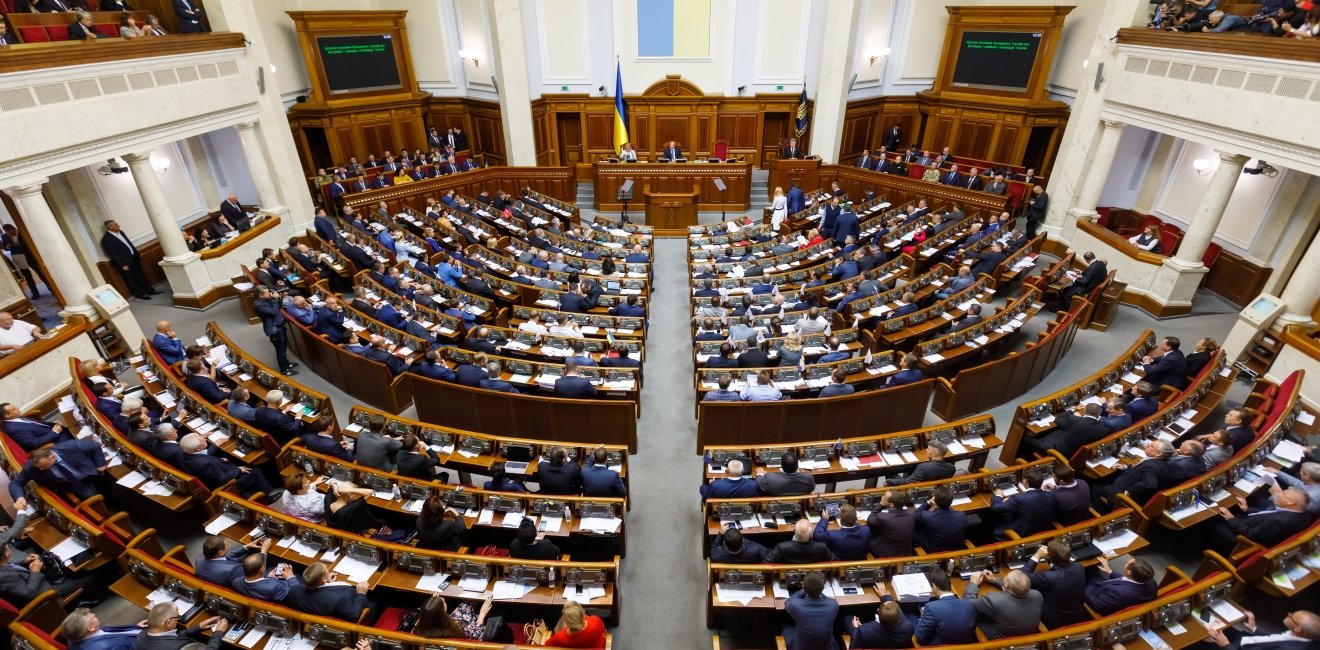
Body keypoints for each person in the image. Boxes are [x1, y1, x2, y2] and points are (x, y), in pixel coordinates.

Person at [1210, 488, 1311, 556]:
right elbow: (1270, 513)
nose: (1278, 494)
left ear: (1291, 502)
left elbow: (1251, 535)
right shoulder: (1305, 513)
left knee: (1215, 524)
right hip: (1257, 524)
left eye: (1283, 494)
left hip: (1246, 542)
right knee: (1236, 510)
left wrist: (1231, 519)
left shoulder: (1278, 521)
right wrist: (1247, 509)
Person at [8, 440, 108, 501]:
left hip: (91, 472)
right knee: (91, 497)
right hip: (74, 484)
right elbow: (15, 484)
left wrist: (100, 464)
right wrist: (19, 497)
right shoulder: (32, 468)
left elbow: (95, 445)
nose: (41, 469)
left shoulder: (70, 446)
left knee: (106, 487)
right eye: (39, 467)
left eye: (44, 465)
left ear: (52, 456)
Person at [1023, 540, 1088, 628]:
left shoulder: (1047, 577)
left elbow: (1022, 577)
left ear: (1048, 556)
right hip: (1077, 616)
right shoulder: (1079, 567)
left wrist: (1037, 555)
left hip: (1055, 622)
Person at [1093, 439, 1174, 510]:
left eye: (1151, 446)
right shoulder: (1162, 463)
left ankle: (1103, 515)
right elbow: (1141, 470)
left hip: (1121, 496)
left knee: (1095, 487)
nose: (1147, 445)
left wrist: (1128, 492)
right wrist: (1125, 467)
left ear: (1158, 454)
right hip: (1133, 491)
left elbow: (1149, 484)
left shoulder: (1151, 466)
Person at [964, 569, 1042, 639]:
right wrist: (994, 580)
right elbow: (1018, 589)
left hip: (1001, 644)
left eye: (1007, 575)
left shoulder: (993, 600)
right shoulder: (1037, 595)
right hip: (1029, 641)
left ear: (1006, 585)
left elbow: (967, 603)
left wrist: (973, 583)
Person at [284, 562, 371, 621]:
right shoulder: (342, 596)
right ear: (323, 579)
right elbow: (353, 614)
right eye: (326, 570)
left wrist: (326, 583)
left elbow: (297, 587)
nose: (327, 569)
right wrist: (361, 593)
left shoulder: (294, 591)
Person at [912, 568, 977, 645]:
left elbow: (920, 637)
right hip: (965, 646)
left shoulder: (931, 607)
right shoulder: (969, 604)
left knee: (911, 617)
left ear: (934, 586)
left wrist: (920, 619)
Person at [1023, 402, 1108, 459]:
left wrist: (1073, 410)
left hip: (1054, 449)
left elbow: (1058, 420)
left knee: (1024, 437)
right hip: (1072, 453)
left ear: (1084, 410)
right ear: (1099, 414)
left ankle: (1026, 459)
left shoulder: (1075, 420)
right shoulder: (1104, 430)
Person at [1204, 609, 1320, 649]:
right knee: (1220, 625)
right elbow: (1275, 639)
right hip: (1247, 641)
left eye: (1292, 616)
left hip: (1235, 647)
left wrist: (1226, 645)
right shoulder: (1305, 637)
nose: (1289, 614)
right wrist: (1254, 628)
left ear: (1298, 629)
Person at [783, 571, 839, 650]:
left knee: (787, 626)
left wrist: (804, 590)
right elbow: (828, 599)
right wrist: (817, 590)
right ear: (822, 588)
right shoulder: (833, 605)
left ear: (803, 587)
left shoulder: (796, 606)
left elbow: (788, 602)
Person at [101, 220, 157, 299]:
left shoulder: (121, 232)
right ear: (110, 227)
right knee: (131, 280)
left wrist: (137, 253)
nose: (118, 225)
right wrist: (122, 265)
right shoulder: (106, 239)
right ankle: (140, 294)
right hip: (125, 263)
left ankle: (150, 290)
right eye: (116, 225)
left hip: (134, 257)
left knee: (141, 275)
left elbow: (129, 243)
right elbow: (112, 254)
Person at [134, 603, 224, 650]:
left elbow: (172, 637)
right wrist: (218, 632)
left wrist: (198, 627)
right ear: (168, 622)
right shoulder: (182, 647)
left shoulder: (141, 636)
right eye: (177, 617)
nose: (178, 619)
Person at [1084, 556, 1157, 615]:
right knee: (1092, 570)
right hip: (1109, 589)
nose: (1126, 563)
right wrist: (1110, 572)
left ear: (1129, 572)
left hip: (1096, 596)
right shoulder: (1151, 581)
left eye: (1127, 563)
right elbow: (1127, 579)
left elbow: (1097, 605)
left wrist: (1080, 589)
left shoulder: (1119, 592)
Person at [413, 593, 495, 641]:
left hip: (441, 629)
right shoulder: (457, 627)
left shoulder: (419, 625)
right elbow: (476, 633)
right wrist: (482, 614)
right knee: (467, 613)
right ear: (442, 615)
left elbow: (430, 613)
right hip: (463, 635)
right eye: (443, 603)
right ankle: (474, 610)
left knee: (465, 607)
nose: (443, 599)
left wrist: (433, 604)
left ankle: (470, 605)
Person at [194, 535, 269, 585]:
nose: (229, 546)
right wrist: (263, 552)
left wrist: (246, 546)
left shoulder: (199, 560)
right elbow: (254, 571)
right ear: (221, 552)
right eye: (227, 545)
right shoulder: (232, 570)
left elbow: (226, 557)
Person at [61, 608, 147, 650]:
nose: (94, 614)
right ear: (90, 628)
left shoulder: (73, 636)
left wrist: (136, 627)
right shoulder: (112, 646)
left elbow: (111, 632)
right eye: (93, 617)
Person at [914, 487, 968, 552]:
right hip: (956, 549)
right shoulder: (961, 516)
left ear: (934, 501)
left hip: (934, 550)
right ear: (951, 502)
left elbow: (916, 514)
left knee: (913, 531)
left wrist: (928, 502)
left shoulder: (927, 516)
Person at [1, 401, 71, 450]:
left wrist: (52, 424)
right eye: (14, 409)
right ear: (7, 415)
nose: (18, 408)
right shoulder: (13, 429)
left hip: (53, 431)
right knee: (79, 442)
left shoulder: (15, 417)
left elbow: (35, 426)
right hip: (55, 441)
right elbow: (35, 443)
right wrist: (55, 432)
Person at [846, 599, 913, 650]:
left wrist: (856, 628)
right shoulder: (908, 628)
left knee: (846, 615)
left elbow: (853, 648)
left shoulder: (864, 631)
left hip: (866, 636)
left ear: (878, 610)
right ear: (898, 619)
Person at [866, 490, 916, 557]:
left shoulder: (883, 517)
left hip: (888, 554)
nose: (882, 498)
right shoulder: (912, 514)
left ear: (891, 504)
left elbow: (870, 519)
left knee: (867, 537)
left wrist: (880, 504)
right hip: (906, 551)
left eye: (884, 498)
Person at [887, 440, 955, 485]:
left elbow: (907, 482)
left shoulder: (923, 467)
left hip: (915, 487)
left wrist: (889, 481)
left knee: (889, 471)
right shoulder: (952, 468)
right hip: (934, 490)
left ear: (935, 453)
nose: (926, 450)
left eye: (928, 449)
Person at [767, 519, 834, 564]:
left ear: (794, 531)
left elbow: (766, 562)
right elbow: (836, 562)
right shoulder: (822, 548)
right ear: (811, 535)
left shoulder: (781, 548)